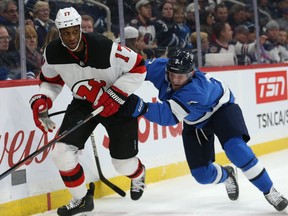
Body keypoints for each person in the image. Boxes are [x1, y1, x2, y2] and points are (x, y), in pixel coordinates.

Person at [122, 50, 288, 212]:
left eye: (181, 76)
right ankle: (227, 175)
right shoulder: (161, 67)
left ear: (192, 73)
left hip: (222, 110)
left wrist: (139, 107)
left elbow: (168, 116)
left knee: (236, 149)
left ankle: (270, 190)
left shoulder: (197, 90)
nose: (175, 80)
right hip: (194, 120)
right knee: (202, 175)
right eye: (172, 74)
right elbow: (134, 66)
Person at [29, 7, 147, 216]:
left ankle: (138, 174)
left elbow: (138, 67)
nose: (71, 37)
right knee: (60, 152)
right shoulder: (53, 52)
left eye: (74, 31)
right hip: (83, 103)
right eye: (66, 33)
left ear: (80, 29)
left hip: (116, 103)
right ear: (59, 31)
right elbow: (50, 81)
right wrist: (43, 99)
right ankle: (82, 199)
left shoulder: (104, 47)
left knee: (123, 165)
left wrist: (116, 93)